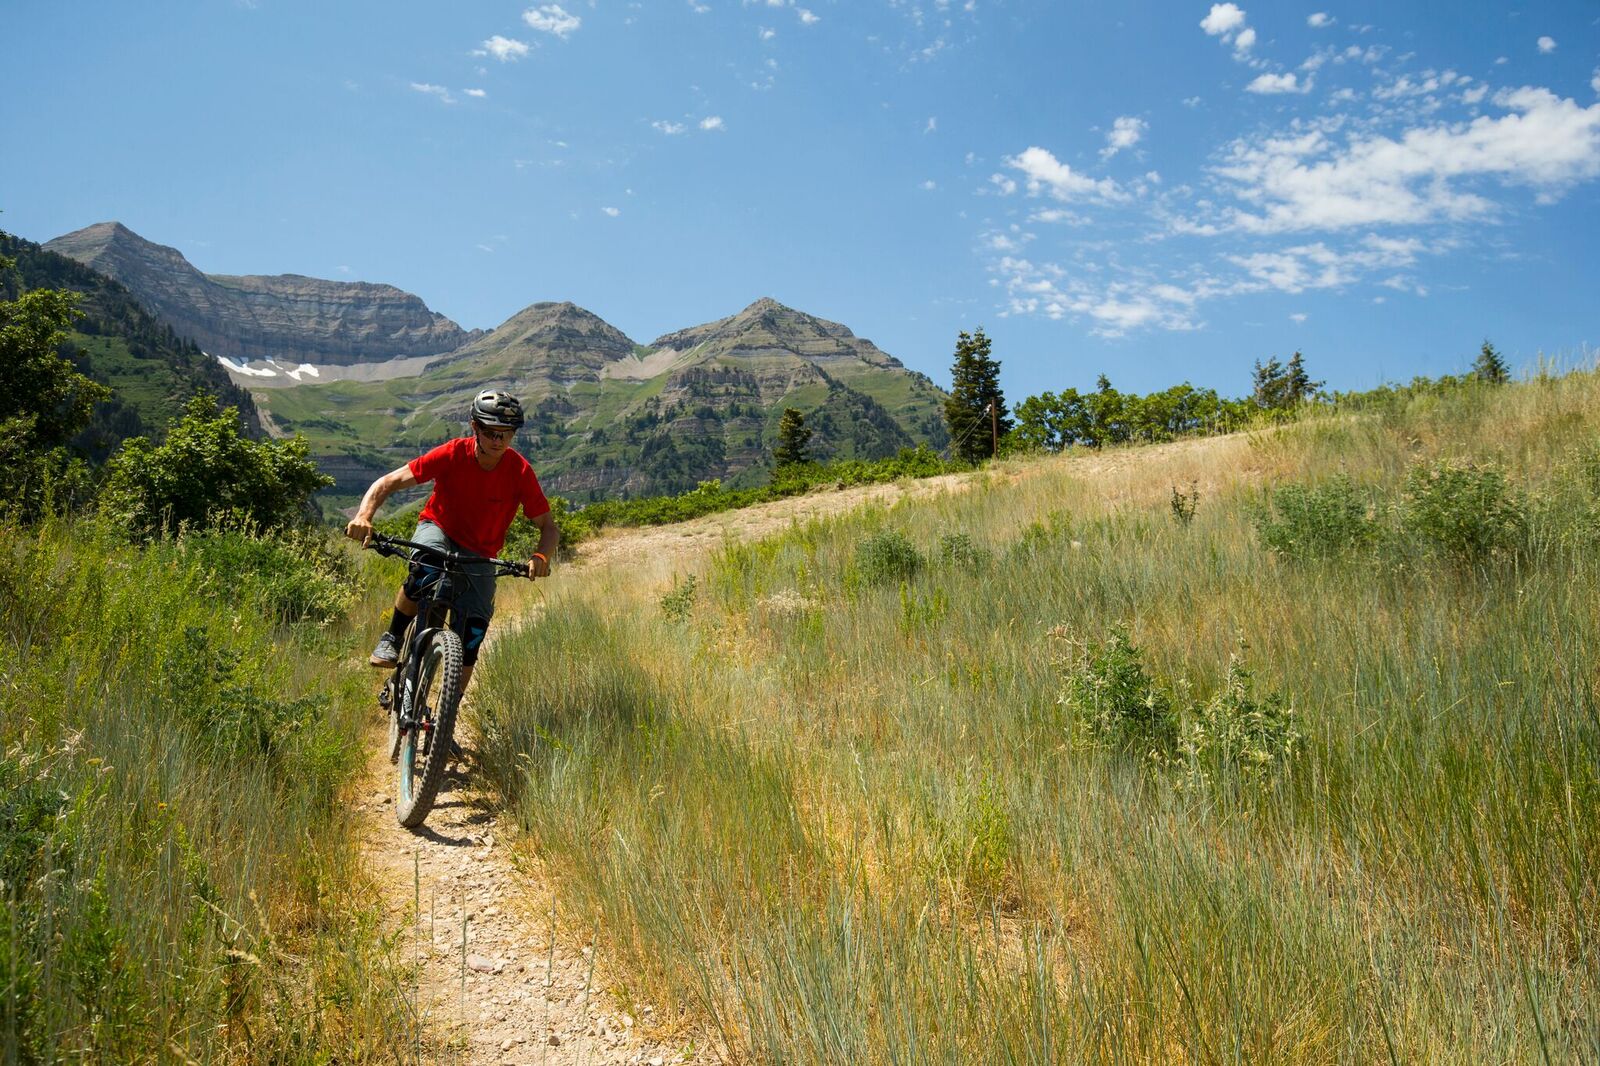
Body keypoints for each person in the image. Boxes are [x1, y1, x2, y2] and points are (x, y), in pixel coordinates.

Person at [344, 390, 558, 690]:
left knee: (472, 634)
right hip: (439, 528)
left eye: (506, 434)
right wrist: (364, 516)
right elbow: (387, 482)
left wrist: (540, 557)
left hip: (481, 551)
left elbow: (548, 526)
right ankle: (392, 636)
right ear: (475, 428)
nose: (499, 441)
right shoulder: (453, 453)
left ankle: (448, 712)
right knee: (426, 570)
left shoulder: (519, 470)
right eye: (491, 433)